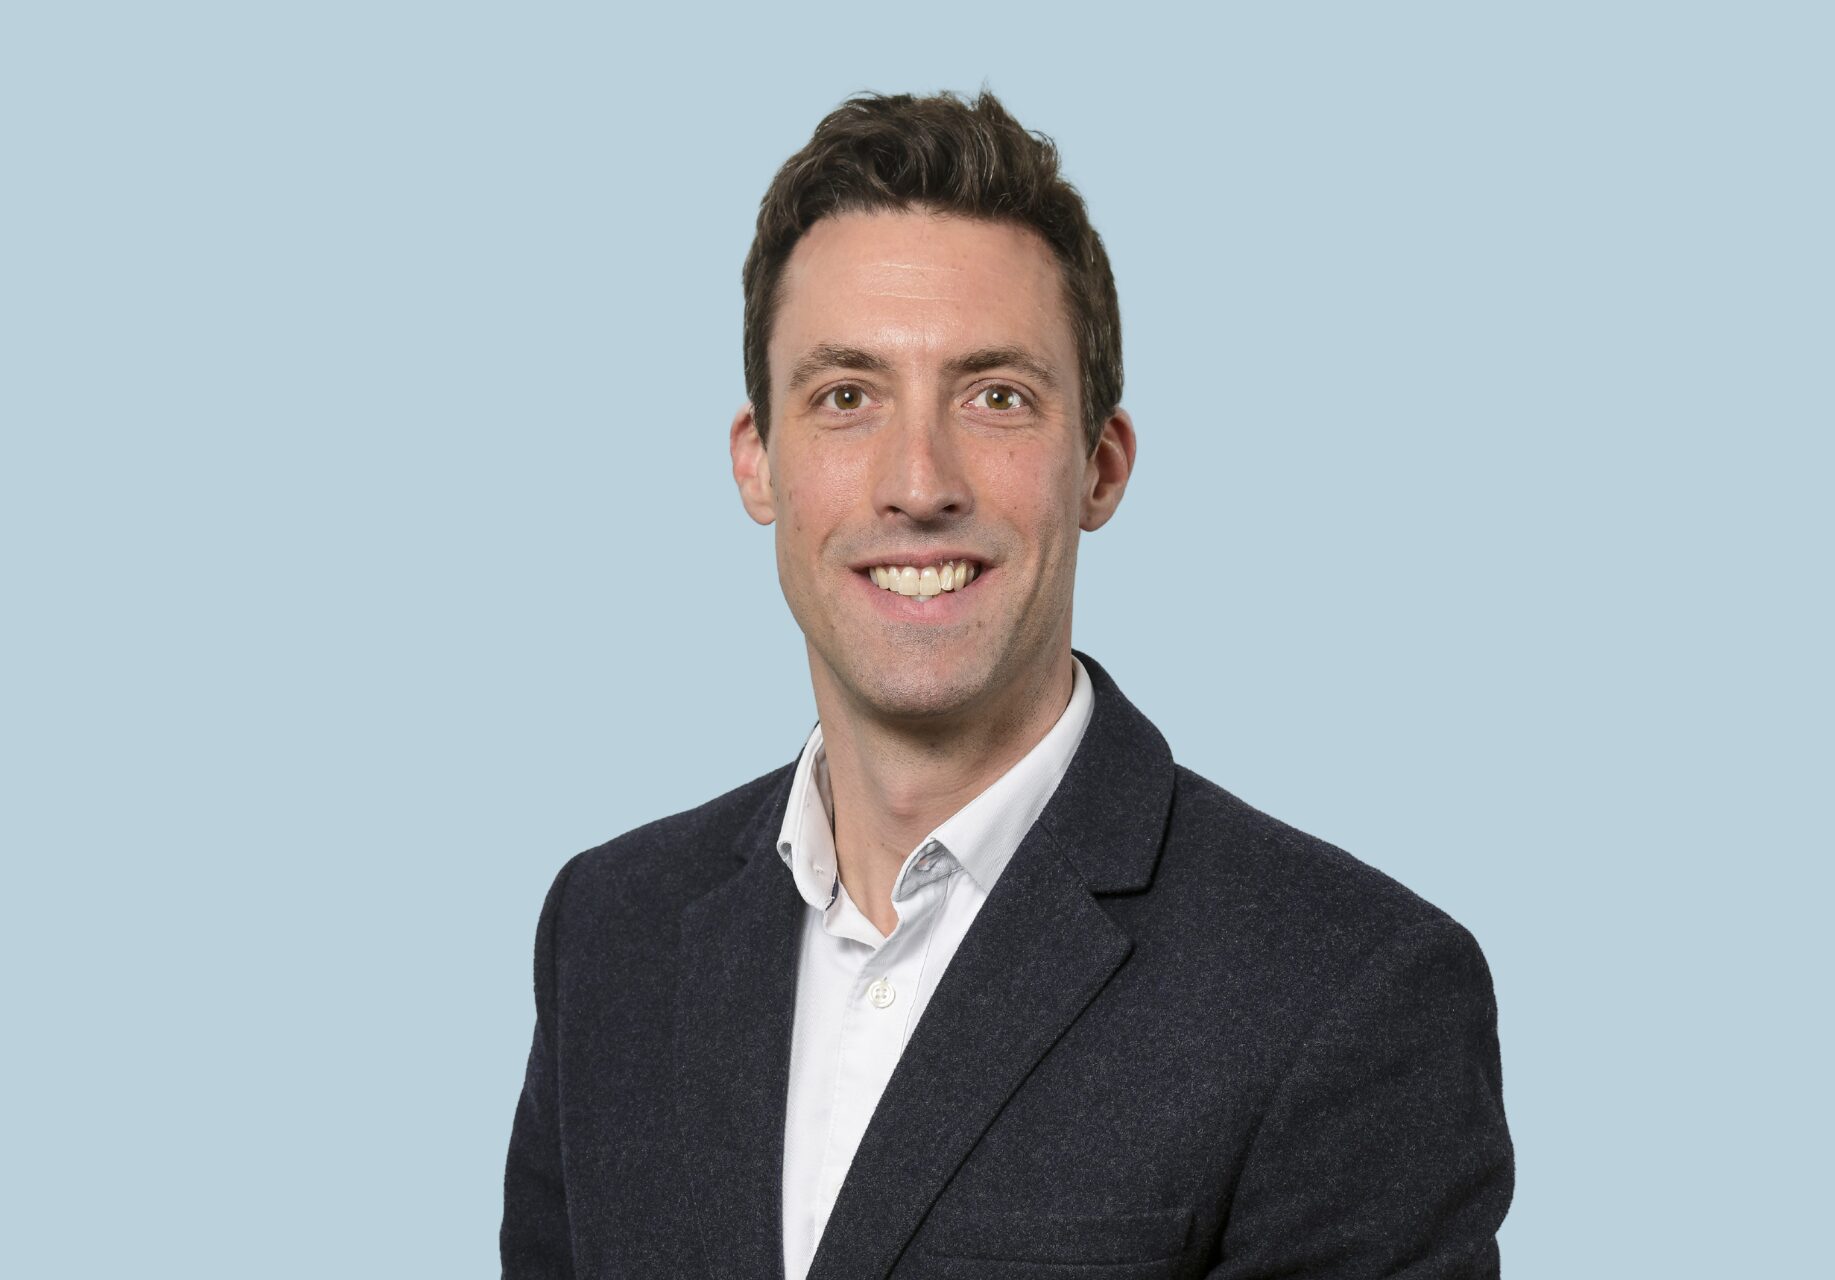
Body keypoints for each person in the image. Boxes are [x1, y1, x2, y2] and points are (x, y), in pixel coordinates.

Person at [501, 89, 1513, 1279]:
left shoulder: (1347, 991)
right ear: (757, 460)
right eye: (845, 396)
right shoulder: (608, 935)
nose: (918, 480)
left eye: (996, 397)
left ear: (1101, 465)